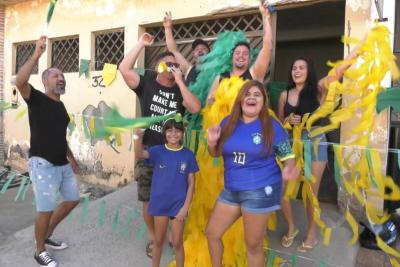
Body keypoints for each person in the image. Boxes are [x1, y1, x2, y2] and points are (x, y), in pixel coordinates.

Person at [119, 32, 201, 258]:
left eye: (176, 64)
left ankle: (170, 234)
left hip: (172, 156)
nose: (173, 67)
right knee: (148, 199)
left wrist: (181, 81)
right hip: (148, 152)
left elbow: (195, 108)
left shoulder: (179, 90)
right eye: (168, 64)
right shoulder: (145, 84)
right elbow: (124, 69)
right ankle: (155, 237)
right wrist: (141, 44)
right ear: (157, 67)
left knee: (173, 197)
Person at [205, 80, 299, 267]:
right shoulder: (228, 123)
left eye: (257, 95)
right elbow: (216, 154)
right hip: (232, 190)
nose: (252, 97)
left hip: (260, 190)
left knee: (253, 246)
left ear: (263, 101)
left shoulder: (272, 126)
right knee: (212, 233)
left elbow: (288, 156)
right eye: (247, 94)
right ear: (240, 100)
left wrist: (289, 168)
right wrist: (211, 143)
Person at [276, 51, 357, 252]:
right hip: (290, 143)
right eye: (294, 68)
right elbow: (279, 124)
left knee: (310, 193)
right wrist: (287, 121)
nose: (297, 71)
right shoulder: (284, 95)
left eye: (301, 67)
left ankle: (311, 233)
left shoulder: (318, 89)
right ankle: (292, 227)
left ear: (308, 70)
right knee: (281, 190)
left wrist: (355, 52)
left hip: (314, 141)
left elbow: (337, 72)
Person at [15, 36, 80, 267]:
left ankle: (47, 234)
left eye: (62, 76)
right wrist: (36, 54)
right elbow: (19, 82)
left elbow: (60, 136)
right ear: (45, 81)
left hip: (62, 163)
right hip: (42, 164)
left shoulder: (61, 106)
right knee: (45, 209)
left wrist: (71, 158)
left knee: (73, 199)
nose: (61, 78)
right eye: (56, 75)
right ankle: (39, 250)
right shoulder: (37, 99)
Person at [134, 118, 198, 267]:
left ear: (183, 133)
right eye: (169, 130)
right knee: (158, 241)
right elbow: (139, 153)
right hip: (160, 204)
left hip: (178, 206)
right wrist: (138, 136)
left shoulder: (188, 155)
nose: (173, 134)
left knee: (177, 243)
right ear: (165, 133)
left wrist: (185, 207)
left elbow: (191, 183)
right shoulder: (158, 151)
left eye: (177, 131)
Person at [206, 1, 273, 105]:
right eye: (237, 53)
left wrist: (266, 18)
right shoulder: (220, 77)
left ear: (249, 58)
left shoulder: (254, 74)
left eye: (245, 53)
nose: (241, 55)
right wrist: (214, 101)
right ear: (232, 57)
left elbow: (267, 48)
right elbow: (209, 102)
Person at [163, 11, 210, 85]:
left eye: (203, 48)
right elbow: (173, 51)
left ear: (209, 53)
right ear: (194, 54)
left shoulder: (217, 70)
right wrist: (167, 28)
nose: (200, 50)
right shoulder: (189, 69)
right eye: (197, 49)